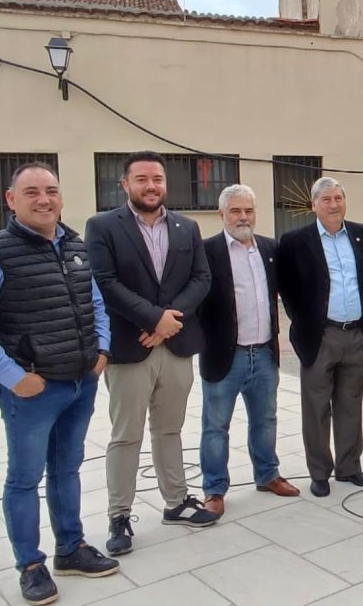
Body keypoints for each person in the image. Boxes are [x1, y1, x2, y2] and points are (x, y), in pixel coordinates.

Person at [0, 162, 119, 605]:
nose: (43, 199)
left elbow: (97, 305)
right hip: (31, 392)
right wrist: (14, 378)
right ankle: (30, 564)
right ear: (11, 200)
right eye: (31, 191)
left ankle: (71, 548)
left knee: (66, 469)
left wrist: (101, 353)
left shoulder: (75, 247)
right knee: (24, 479)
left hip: (80, 383)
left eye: (51, 190)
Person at [86, 151, 216, 556]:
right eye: (141, 179)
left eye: (157, 179)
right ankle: (119, 515)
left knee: (170, 430)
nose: (151, 186)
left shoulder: (186, 227)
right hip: (130, 347)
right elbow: (105, 282)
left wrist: (168, 323)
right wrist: (154, 319)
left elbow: (201, 277)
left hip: (175, 345)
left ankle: (176, 501)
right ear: (125, 184)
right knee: (126, 435)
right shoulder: (102, 226)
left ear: (165, 184)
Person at [198, 184, 299, 519]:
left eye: (249, 211)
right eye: (236, 211)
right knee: (216, 427)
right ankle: (214, 488)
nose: (243, 218)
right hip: (226, 356)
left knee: (265, 419)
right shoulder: (207, 251)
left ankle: (267, 474)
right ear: (222, 214)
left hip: (265, 354)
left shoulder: (270, 248)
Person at [277, 177, 363, 497]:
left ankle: (350, 467)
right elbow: (288, 288)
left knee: (350, 403)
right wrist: (307, 325)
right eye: (326, 200)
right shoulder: (295, 241)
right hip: (321, 336)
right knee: (317, 407)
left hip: (355, 335)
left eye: (338, 198)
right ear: (314, 205)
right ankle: (320, 472)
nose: (334, 204)